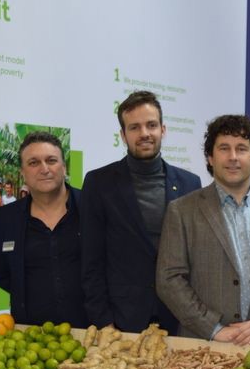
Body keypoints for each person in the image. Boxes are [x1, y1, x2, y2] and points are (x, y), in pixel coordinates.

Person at [157, 114, 250, 344]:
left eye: (241, 148)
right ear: (210, 157)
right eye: (224, 148)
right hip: (203, 347)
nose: (233, 157)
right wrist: (213, 328)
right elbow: (169, 280)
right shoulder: (182, 211)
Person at [82, 90, 202, 334]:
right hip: (123, 319)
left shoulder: (190, 183)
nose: (144, 133)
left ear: (163, 130)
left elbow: (197, 258)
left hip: (180, 317)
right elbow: (91, 259)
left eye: (151, 125)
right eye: (134, 127)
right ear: (123, 135)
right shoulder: (98, 183)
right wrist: (103, 321)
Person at [0, 132, 87, 327]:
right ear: (23, 172)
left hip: (93, 331)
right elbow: (2, 274)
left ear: (64, 167)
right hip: (30, 334)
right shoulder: (4, 218)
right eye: (33, 163)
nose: (44, 169)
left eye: (51, 160)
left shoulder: (91, 207)